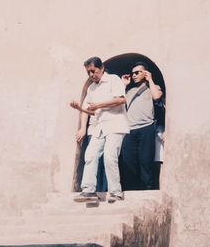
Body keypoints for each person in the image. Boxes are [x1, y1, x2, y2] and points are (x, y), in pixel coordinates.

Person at [70, 56, 130, 203]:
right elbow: (93, 111)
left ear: (101, 68)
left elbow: (121, 100)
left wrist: (98, 105)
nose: (91, 75)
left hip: (115, 125)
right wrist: (79, 108)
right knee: (90, 156)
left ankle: (116, 193)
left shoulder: (113, 80)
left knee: (110, 157)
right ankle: (89, 191)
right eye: (88, 73)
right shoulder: (92, 88)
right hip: (100, 127)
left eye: (93, 71)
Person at [120, 62, 163, 190]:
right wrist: (124, 85)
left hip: (146, 129)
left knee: (146, 163)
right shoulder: (129, 90)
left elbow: (157, 96)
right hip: (129, 130)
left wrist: (150, 79)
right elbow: (118, 103)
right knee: (128, 163)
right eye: (133, 73)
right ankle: (130, 192)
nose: (134, 75)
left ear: (145, 73)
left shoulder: (153, 88)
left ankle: (147, 192)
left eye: (137, 72)